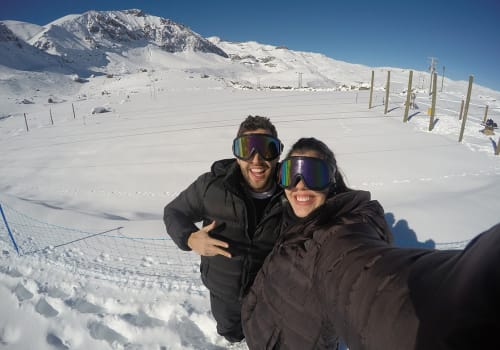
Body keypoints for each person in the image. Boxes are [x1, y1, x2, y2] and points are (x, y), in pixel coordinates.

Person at [242, 137, 500, 350]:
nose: (299, 186)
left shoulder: (336, 235)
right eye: (291, 173)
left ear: (331, 181)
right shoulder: (291, 218)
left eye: (313, 174)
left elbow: (364, 279)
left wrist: (465, 303)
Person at [163, 115, 284, 343]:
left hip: (268, 297)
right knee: (230, 334)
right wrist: (189, 238)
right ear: (236, 155)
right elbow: (174, 212)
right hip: (223, 291)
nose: (256, 160)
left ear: (278, 154)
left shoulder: (292, 194)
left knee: (263, 338)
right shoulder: (211, 187)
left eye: (267, 149)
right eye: (247, 148)